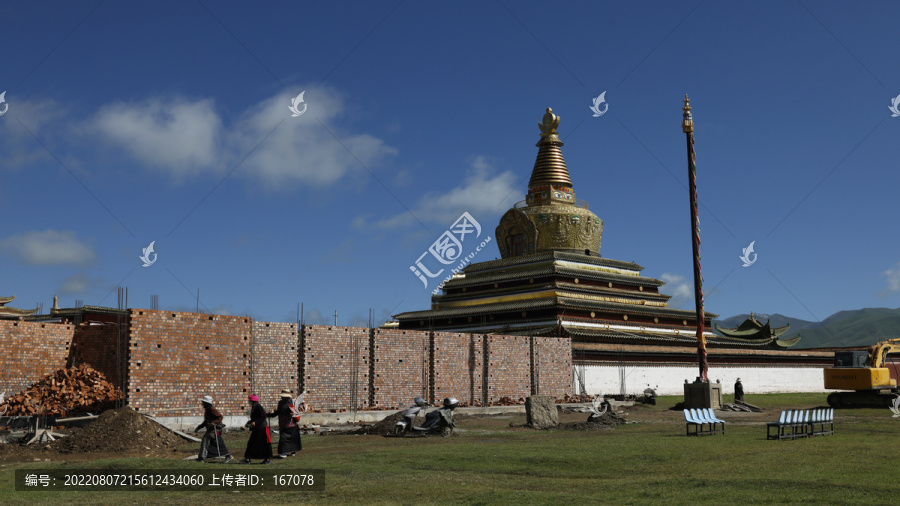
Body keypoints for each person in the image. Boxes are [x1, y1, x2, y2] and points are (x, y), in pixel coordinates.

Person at [195, 395, 232, 463]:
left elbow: (220, 417)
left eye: (203, 402)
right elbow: (206, 421)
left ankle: (201, 458)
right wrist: (199, 427)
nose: (202, 403)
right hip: (210, 428)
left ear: (206, 403)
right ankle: (202, 457)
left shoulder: (212, 409)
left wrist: (214, 423)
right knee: (211, 442)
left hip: (215, 428)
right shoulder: (207, 409)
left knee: (208, 441)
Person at [268, 389, 302, 458]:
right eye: (282, 396)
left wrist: (293, 414)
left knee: (293, 440)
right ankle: (283, 452)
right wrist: (270, 415)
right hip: (283, 424)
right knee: (283, 439)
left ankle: (293, 451)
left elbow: (297, 413)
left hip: (291, 424)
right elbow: (278, 411)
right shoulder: (280, 403)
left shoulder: (292, 403)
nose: (282, 398)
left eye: (283, 396)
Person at [241, 394, 272, 464]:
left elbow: (263, 417)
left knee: (264, 444)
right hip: (257, 428)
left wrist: (256, 422)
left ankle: (267, 459)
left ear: (252, 401)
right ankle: (247, 459)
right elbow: (254, 418)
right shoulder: (253, 407)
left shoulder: (258, 407)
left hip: (262, 428)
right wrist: (247, 425)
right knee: (251, 443)